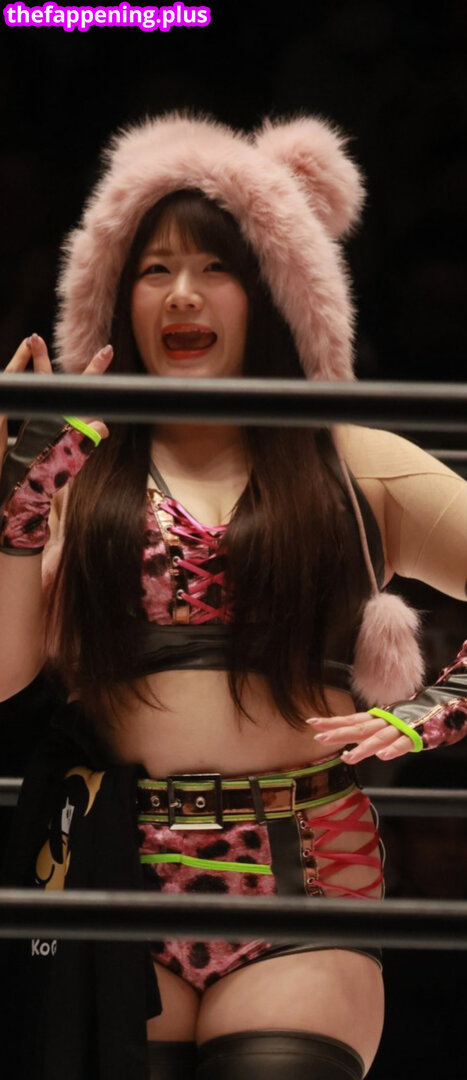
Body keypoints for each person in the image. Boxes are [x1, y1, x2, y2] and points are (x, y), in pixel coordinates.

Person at [1, 112, 467, 1080]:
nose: (182, 292)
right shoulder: (77, 468)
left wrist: (442, 706)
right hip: (120, 880)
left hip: (304, 883)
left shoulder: (349, 461)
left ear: (267, 289)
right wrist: (19, 507)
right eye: (154, 268)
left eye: (214, 266)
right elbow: (3, 673)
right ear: (116, 296)